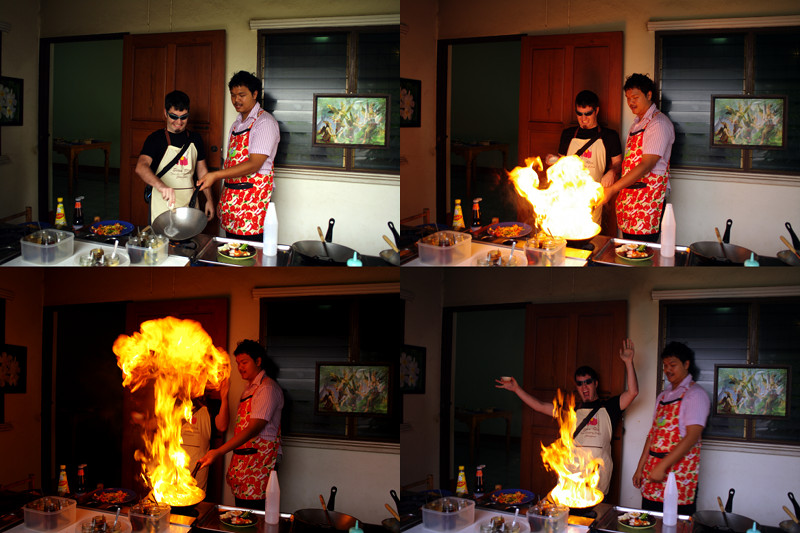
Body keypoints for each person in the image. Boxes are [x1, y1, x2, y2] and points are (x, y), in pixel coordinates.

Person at [496, 338, 639, 497]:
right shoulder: (571, 409)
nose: (584, 387)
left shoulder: (610, 407)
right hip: (571, 477)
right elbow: (540, 406)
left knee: (592, 516)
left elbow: (632, 392)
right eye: (580, 384)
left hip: (597, 478)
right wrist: (517, 390)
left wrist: (628, 362)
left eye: (588, 382)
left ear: (595, 383)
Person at [197, 340, 283, 509]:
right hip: (245, 463)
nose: (240, 367)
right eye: (238, 363)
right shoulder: (249, 388)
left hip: (259, 463)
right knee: (241, 513)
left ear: (258, 361)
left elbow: (254, 429)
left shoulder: (267, 388)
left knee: (254, 517)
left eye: (245, 362)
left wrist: (218, 452)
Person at [198, 71, 280, 242]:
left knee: (250, 254)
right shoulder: (237, 124)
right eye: (233, 95)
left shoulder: (264, 122)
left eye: (242, 95)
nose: (236, 100)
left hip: (252, 202)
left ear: (255, 94)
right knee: (231, 251)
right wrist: (223, 198)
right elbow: (229, 164)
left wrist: (215, 175)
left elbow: (254, 165)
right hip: (232, 201)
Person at [632, 341, 710, 515]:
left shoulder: (695, 395)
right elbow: (652, 435)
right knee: (649, 522)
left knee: (675, 525)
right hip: (652, 474)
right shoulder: (663, 397)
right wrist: (640, 468)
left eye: (672, 365)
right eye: (665, 366)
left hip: (678, 479)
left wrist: (662, 467)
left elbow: (691, 437)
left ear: (686, 364)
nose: (668, 370)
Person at [600, 74, 675, 243]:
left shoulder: (658, 124)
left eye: (635, 97)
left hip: (647, 200)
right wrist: (613, 173)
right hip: (631, 198)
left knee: (642, 252)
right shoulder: (637, 123)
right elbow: (629, 161)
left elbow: (647, 165)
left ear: (649, 95)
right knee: (629, 249)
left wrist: (612, 190)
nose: (630, 102)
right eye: (628, 98)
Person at [135, 90, 215, 224]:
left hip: (189, 204)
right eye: (174, 116)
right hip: (162, 205)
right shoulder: (155, 139)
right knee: (162, 242)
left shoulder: (195, 139)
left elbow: (202, 173)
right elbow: (141, 167)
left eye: (184, 117)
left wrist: (209, 200)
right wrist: (161, 186)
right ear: (165, 113)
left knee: (190, 241)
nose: (179, 122)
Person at [548, 90, 622, 227]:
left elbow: (618, 163)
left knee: (589, 237)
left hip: (593, 198)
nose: (583, 118)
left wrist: (612, 172)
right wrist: (553, 160)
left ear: (597, 110)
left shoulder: (609, 136)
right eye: (579, 114)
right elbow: (561, 164)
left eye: (588, 113)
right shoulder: (568, 134)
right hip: (567, 197)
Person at [180, 379, 230, 492]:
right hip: (173, 467)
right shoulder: (173, 404)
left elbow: (222, 426)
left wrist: (224, 397)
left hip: (197, 468)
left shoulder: (211, 405)